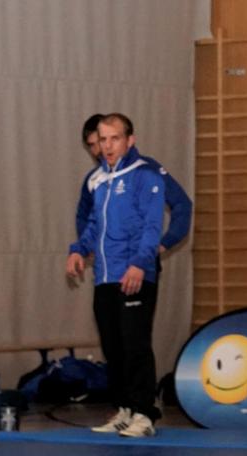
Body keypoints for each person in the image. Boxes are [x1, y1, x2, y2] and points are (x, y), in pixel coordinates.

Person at [67, 113, 167, 438]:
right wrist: (78, 249)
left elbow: (153, 225)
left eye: (115, 139)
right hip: (105, 278)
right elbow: (95, 224)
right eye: (103, 139)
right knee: (114, 347)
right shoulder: (98, 180)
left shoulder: (146, 176)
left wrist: (140, 263)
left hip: (134, 274)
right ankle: (124, 409)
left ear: (129, 141)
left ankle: (145, 413)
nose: (107, 146)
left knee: (136, 345)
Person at [76, 113, 192, 260]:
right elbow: (83, 215)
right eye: (92, 145)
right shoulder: (93, 178)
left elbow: (182, 204)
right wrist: (88, 247)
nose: (99, 149)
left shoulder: (146, 169)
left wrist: (165, 243)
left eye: (102, 141)